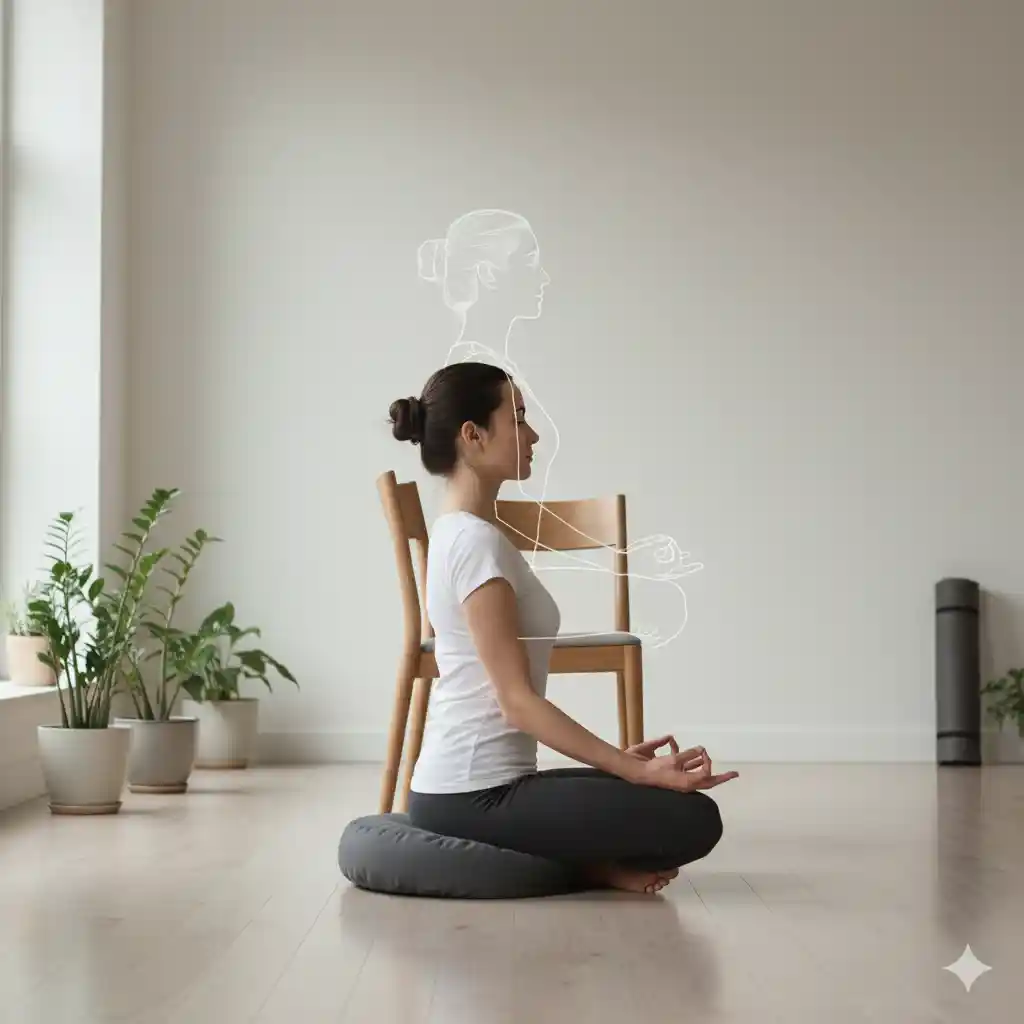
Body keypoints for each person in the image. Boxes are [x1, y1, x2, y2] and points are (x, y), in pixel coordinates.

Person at [388, 361, 738, 895]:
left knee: (665, 795)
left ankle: (578, 863)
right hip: (469, 796)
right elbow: (516, 702)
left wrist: (622, 769)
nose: (533, 435)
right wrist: (628, 769)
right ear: (473, 435)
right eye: (518, 418)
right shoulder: (473, 544)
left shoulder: (468, 533)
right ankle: (581, 868)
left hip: (489, 787)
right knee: (695, 820)